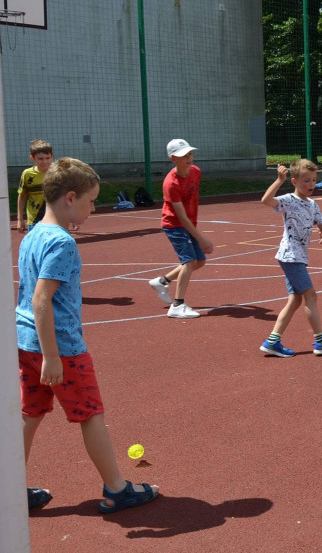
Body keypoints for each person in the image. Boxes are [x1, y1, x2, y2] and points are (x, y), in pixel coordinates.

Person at [18, 157, 160, 513]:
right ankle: (116, 489)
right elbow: (40, 298)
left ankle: (9, 487)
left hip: (24, 340)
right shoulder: (61, 243)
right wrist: (52, 355)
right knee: (91, 414)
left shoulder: (33, 234)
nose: (94, 207)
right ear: (70, 198)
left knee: (30, 414)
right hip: (60, 346)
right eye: (91, 200)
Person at [258, 160, 322, 358]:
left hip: (298, 256)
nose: (311, 184)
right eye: (306, 181)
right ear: (294, 181)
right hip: (290, 255)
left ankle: (272, 342)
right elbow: (266, 200)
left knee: (295, 300)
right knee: (311, 296)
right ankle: (321, 340)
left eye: (314, 180)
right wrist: (278, 181)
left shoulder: (313, 204)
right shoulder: (288, 200)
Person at [148, 139, 214, 319]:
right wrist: (201, 238)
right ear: (172, 159)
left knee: (199, 261)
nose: (188, 158)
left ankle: (162, 281)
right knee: (189, 262)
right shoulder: (171, 184)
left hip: (189, 223)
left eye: (189, 154)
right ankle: (177, 305)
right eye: (182, 156)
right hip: (175, 225)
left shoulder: (196, 172)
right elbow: (181, 217)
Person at [17, 139, 53, 233]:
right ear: (32, 158)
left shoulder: (58, 172)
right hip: (34, 220)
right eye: (40, 159)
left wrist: (71, 217)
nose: (44, 161)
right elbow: (22, 196)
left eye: (47, 158)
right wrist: (20, 219)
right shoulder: (27, 174)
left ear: (52, 157)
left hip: (55, 218)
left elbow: (65, 195)